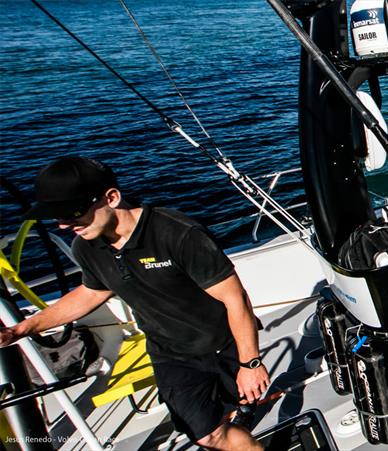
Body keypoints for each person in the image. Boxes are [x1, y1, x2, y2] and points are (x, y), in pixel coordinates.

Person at [0, 157, 269, 451]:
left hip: (222, 343)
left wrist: (250, 363)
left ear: (111, 198)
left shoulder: (177, 233)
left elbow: (235, 298)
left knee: (227, 417)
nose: (65, 225)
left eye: (72, 213)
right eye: (57, 217)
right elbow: (90, 293)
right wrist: (22, 329)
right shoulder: (87, 245)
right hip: (169, 353)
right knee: (207, 436)